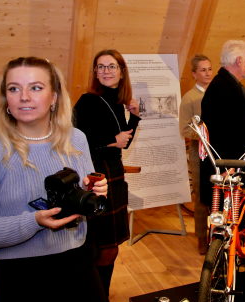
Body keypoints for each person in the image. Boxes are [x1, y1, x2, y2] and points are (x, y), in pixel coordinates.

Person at [0, 57, 108, 302]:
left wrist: (93, 191)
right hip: (20, 277)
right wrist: (34, 221)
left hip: (79, 265)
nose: (24, 97)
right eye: (14, 89)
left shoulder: (76, 139)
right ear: (6, 99)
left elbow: (84, 193)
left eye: (35, 87)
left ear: (54, 97)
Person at [73, 49, 140, 300]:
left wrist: (133, 117)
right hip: (95, 173)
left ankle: (101, 294)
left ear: (121, 72)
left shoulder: (116, 102)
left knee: (109, 245)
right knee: (99, 244)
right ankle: (96, 295)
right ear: (95, 73)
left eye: (111, 67)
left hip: (113, 171)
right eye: (100, 67)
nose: (106, 71)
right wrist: (111, 141)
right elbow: (76, 141)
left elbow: (125, 143)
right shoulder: (87, 100)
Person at [200, 40, 245, 208]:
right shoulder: (220, 88)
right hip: (227, 170)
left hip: (235, 167)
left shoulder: (229, 85)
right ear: (239, 61)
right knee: (227, 225)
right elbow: (216, 134)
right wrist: (225, 166)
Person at [179, 54, 213, 255]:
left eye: (209, 69)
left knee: (218, 191)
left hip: (217, 150)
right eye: (202, 70)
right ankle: (201, 236)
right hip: (199, 150)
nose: (207, 73)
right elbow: (184, 130)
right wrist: (204, 132)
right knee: (201, 195)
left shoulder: (217, 94)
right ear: (194, 74)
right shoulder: (190, 98)